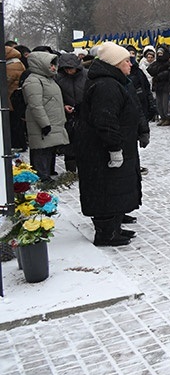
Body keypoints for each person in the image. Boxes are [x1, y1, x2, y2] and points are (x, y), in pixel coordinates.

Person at [76, 42, 150, 246]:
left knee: (115, 186)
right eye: (126, 60)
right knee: (107, 187)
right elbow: (105, 120)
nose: (130, 64)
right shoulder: (106, 86)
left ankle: (114, 228)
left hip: (113, 146)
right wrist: (114, 148)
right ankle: (106, 233)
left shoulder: (112, 82)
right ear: (116, 63)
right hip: (102, 150)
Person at [21, 51, 70, 181]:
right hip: (42, 124)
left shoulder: (48, 79)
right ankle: (41, 177)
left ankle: (46, 174)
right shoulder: (34, 81)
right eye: (51, 65)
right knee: (40, 150)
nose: (54, 68)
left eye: (55, 65)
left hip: (51, 122)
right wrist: (44, 124)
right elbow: (35, 105)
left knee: (48, 150)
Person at [54, 52, 87, 173]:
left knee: (85, 142)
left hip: (84, 114)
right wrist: (63, 106)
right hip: (67, 116)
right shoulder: (58, 78)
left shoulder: (87, 76)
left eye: (71, 68)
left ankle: (85, 168)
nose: (69, 71)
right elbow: (55, 96)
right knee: (69, 143)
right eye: (66, 69)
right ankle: (71, 171)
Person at [6, 44, 27, 151]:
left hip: (11, 99)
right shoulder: (17, 62)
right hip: (17, 99)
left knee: (14, 124)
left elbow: (6, 81)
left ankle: (17, 145)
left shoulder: (10, 66)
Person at [146, 46, 170, 125]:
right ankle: (162, 117)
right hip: (157, 85)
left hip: (166, 86)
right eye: (158, 53)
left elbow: (167, 74)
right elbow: (151, 70)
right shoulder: (156, 63)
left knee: (165, 103)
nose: (160, 55)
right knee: (159, 103)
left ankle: (167, 118)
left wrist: (159, 74)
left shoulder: (168, 63)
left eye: (161, 53)